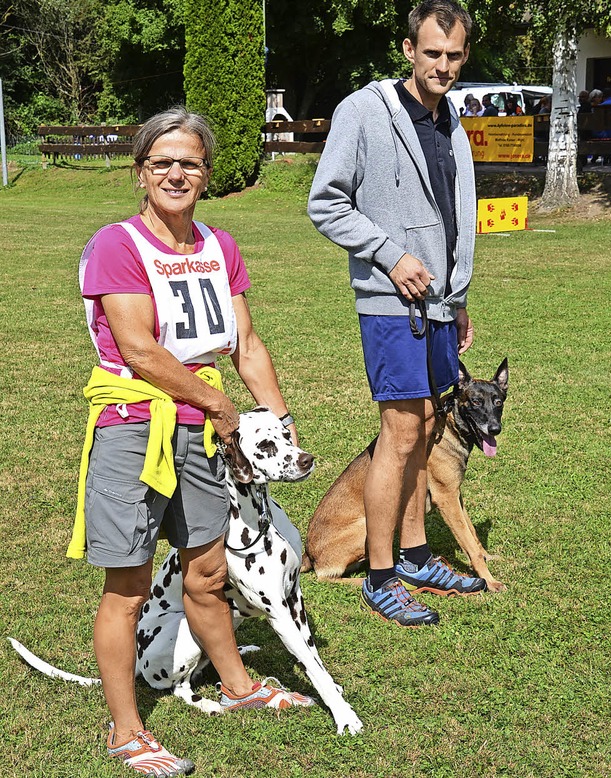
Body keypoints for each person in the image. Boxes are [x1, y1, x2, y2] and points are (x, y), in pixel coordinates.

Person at [68, 107, 312, 776]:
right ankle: (126, 731)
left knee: (207, 569)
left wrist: (278, 419)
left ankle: (237, 686)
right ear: (140, 172)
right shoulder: (117, 244)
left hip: (204, 433)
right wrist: (218, 403)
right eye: (163, 162)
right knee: (131, 583)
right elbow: (140, 351)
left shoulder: (219, 246)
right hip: (136, 429)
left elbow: (247, 343)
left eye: (191, 162)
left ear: (206, 173)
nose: (177, 173)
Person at [307, 0, 486, 629]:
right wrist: (390, 256)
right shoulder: (364, 111)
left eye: (454, 55)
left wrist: (457, 299)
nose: (442, 65)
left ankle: (413, 554)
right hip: (392, 302)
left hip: (438, 305)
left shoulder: (451, 121)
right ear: (408, 50)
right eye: (431, 53)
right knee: (401, 432)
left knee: (430, 426)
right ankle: (380, 576)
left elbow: (456, 219)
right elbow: (325, 202)